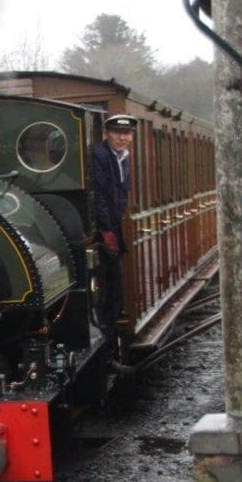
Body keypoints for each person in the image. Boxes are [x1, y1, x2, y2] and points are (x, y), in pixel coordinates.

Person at [92, 114, 137, 374]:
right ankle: (105, 360)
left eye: (127, 133)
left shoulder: (123, 158)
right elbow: (100, 196)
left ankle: (109, 357)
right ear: (107, 133)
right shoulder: (100, 156)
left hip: (114, 234)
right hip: (103, 236)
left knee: (114, 299)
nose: (122, 137)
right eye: (117, 132)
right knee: (105, 298)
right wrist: (107, 231)